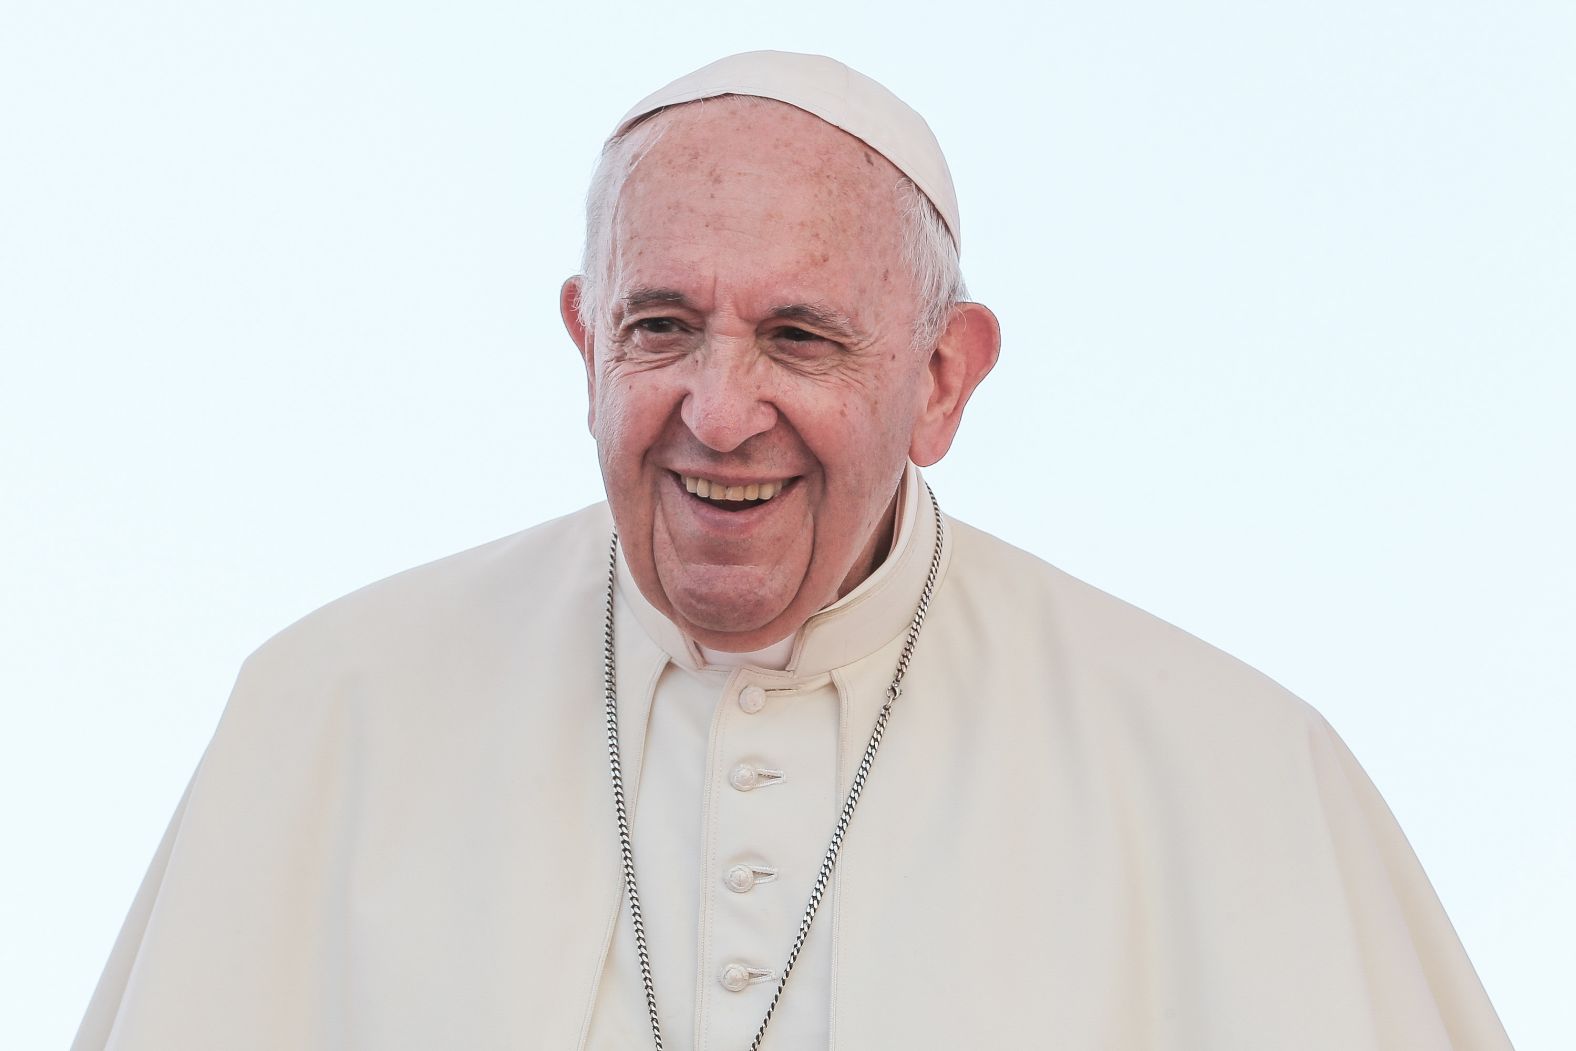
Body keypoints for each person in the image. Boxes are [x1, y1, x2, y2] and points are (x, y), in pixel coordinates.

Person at [73, 51, 1511, 1050]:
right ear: (585, 344)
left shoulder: (1223, 765)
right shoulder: (333, 706)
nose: (718, 408)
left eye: (801, 337)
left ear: (945, 377)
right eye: (660, 326)